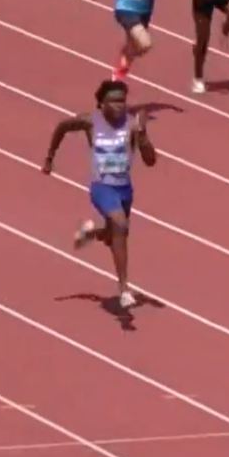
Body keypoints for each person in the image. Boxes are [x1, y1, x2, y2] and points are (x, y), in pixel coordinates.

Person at [41, 80, 156, 309]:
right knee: (120, 225)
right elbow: (62, 127)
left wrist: (143, 136)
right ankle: (124, 289)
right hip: (101, 187)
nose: (119, 105)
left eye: (122, 101)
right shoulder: (90, 121)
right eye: (113, 101)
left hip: (124, 189)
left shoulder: (132, 125)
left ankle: (92, 234)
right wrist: (50, 157)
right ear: (101, 103)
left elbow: (150, 161)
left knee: (117, 235)